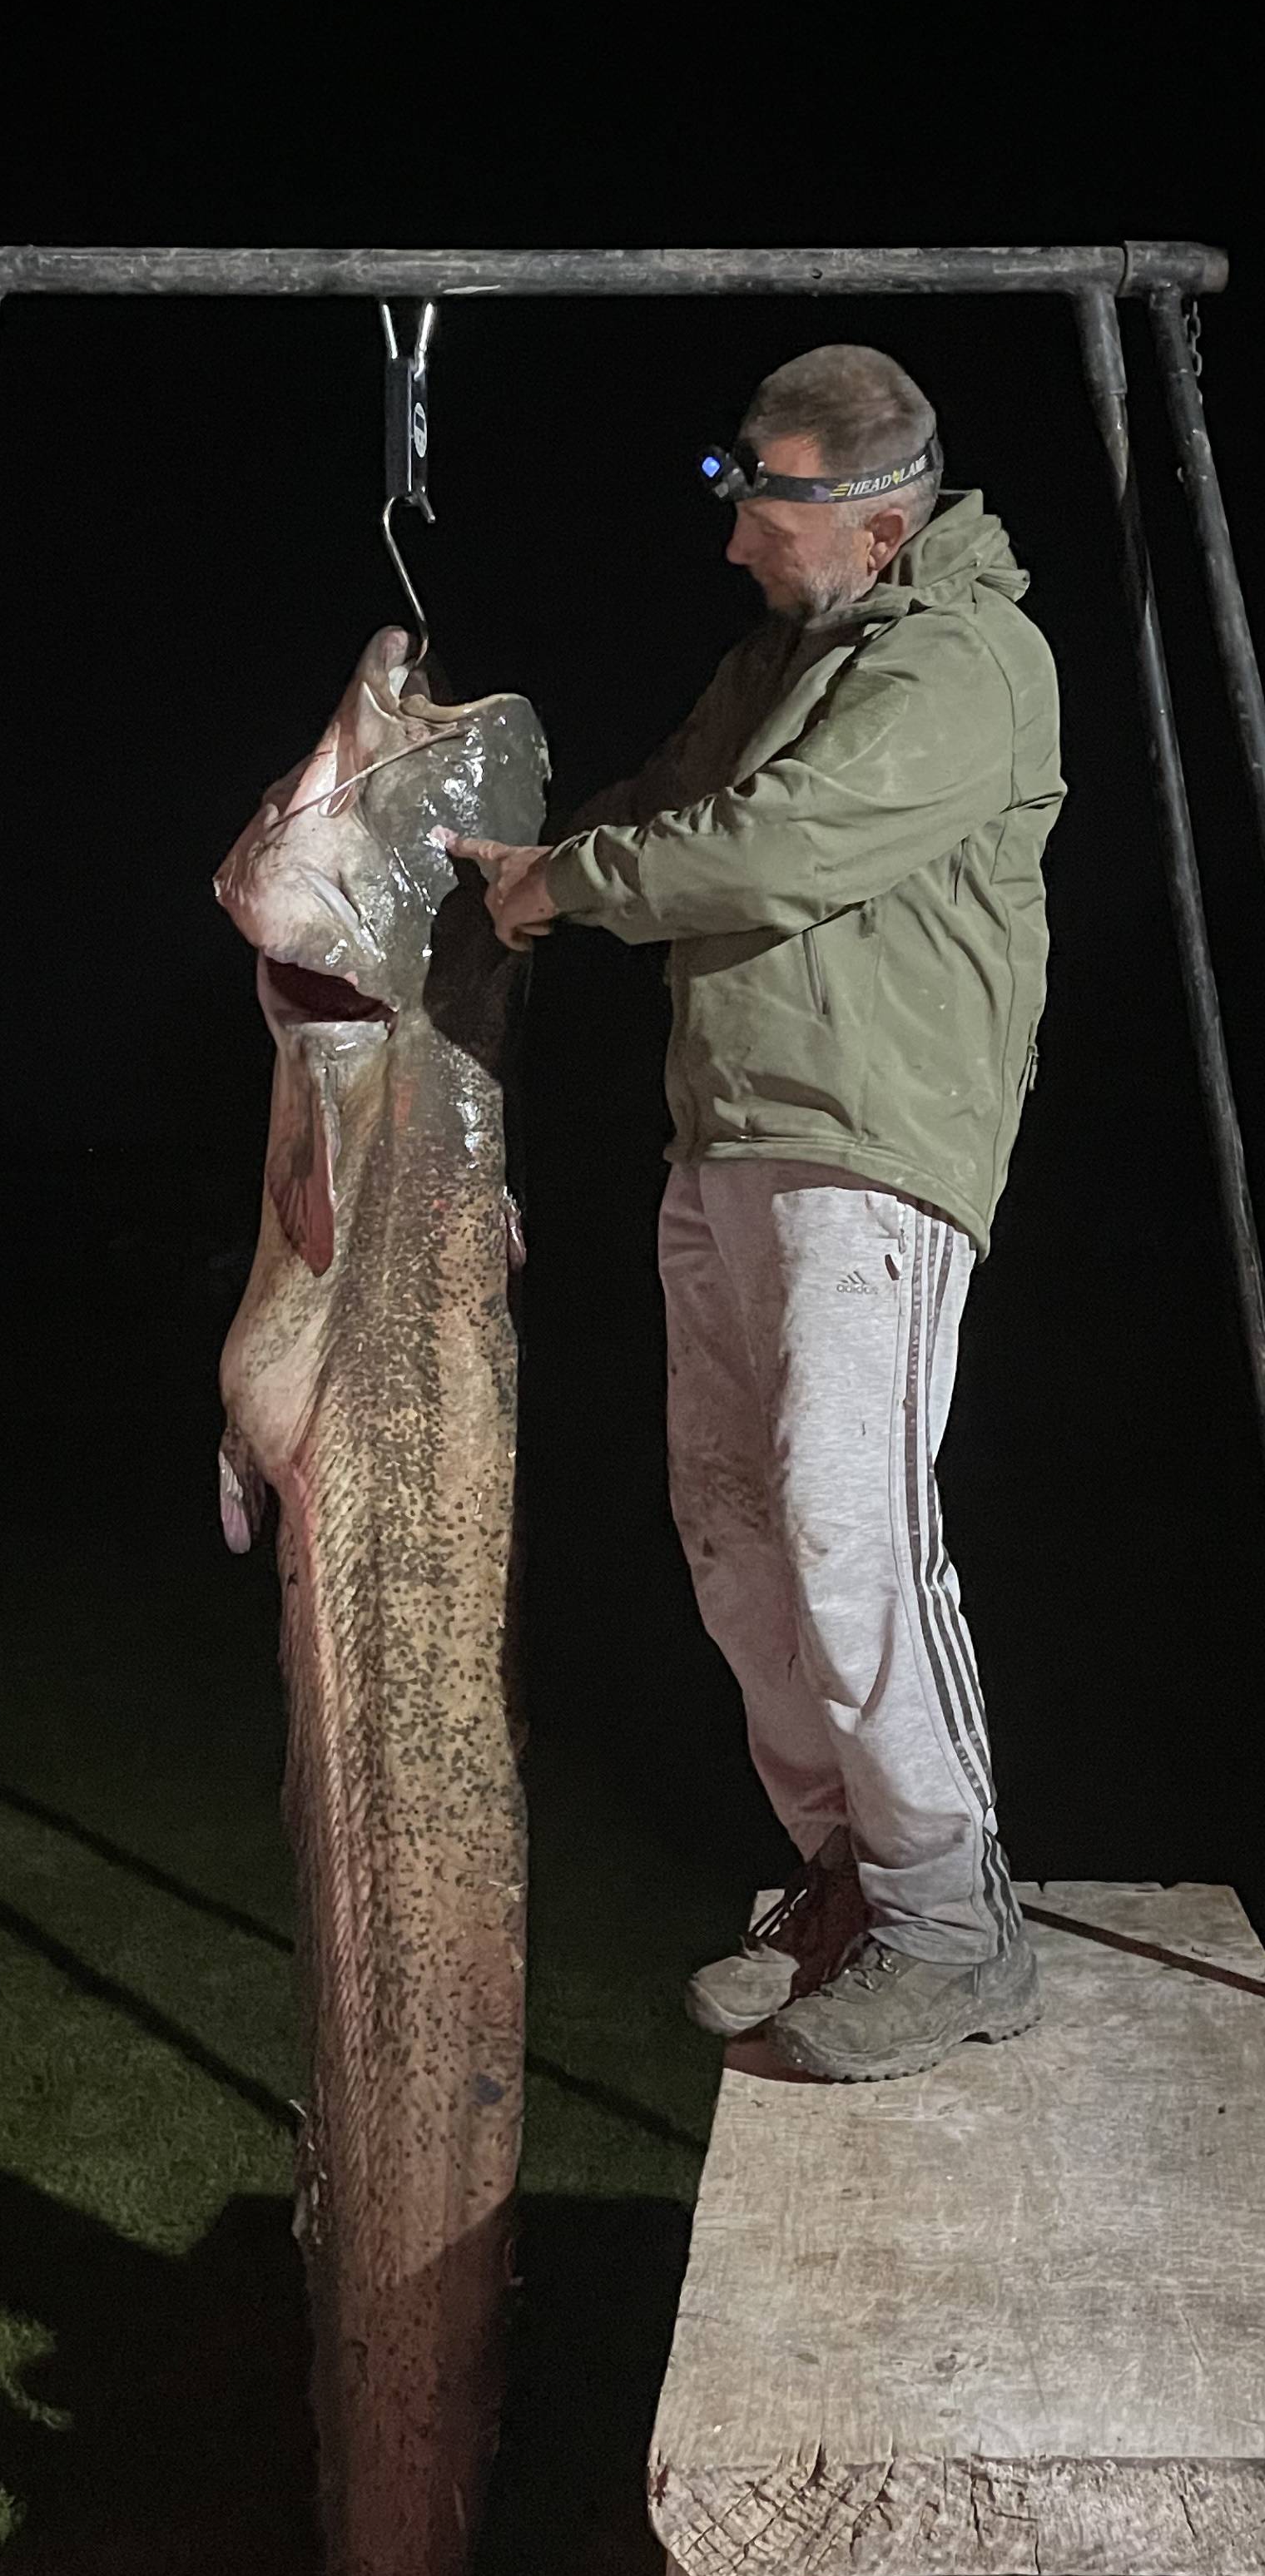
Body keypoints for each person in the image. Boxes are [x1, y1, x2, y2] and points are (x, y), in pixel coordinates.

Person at [444, 343, 1064, 2083]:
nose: (732, 545)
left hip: (873, 1150)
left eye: (759, 505)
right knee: (731, 1533)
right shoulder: (779, 661)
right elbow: (668, 803)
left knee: (849, 1525)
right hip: (722, 1141)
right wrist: (513, 861)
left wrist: (565, 887)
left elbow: (775, 846)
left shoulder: (967, 663)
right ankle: (846, 1874)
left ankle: (956, 1920)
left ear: (873, 518)